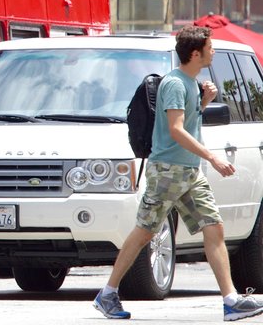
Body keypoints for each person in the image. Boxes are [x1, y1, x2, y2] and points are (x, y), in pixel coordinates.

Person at [93, 26, 263, 321]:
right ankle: (108, 293)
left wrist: (205, 101)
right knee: (144, 232)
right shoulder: (174, 84)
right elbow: (175, 129)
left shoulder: (190, 83)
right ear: (196, 53)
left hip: (189, 172)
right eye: (210, 48)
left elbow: (188, 121)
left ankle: (231, 301)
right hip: (169, 171)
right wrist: (213, 158)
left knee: (215, 227)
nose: (213, 52)